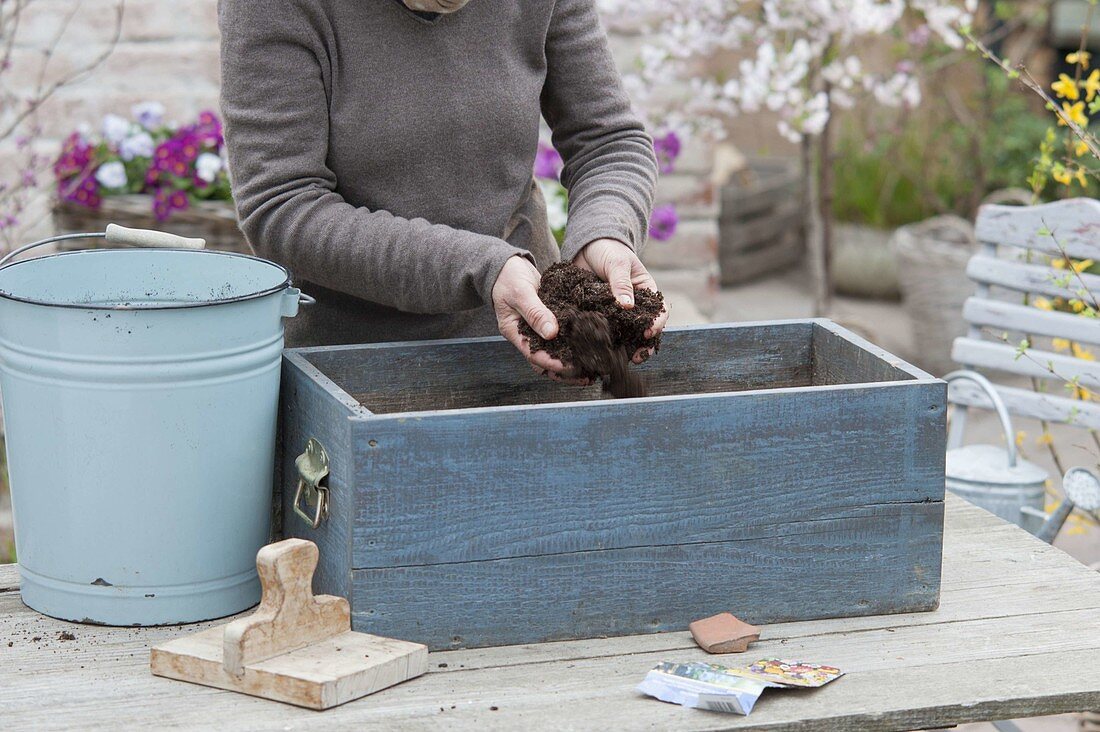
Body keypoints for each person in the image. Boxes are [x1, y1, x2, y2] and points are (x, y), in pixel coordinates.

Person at [218, 0, 668, 383]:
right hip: (356, 369)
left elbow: (608, 141)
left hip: (538, 343)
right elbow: (282, 206)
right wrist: (482, 267)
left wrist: (605, 233)